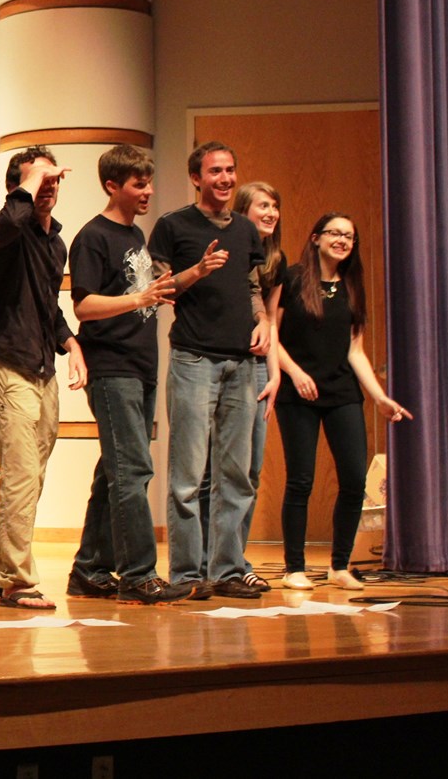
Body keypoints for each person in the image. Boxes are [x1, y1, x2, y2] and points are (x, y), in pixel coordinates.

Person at [63, 146, 188, 605]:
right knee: (132, 471)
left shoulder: (136, 234)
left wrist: (192, 274)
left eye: (148, 182)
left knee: (113, 471)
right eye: (139, 184)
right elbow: (83, 306)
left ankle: (89, 569)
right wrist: (139, 299)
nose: (148, 191)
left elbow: (149, 292)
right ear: (112, 186)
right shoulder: (92, 237)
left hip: (140, 366)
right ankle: (137, 575)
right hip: (112, 368)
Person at [149, 141, 269, 600]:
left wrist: (263, 322)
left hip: (242, 362)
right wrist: (197, 270)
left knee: (236, 476)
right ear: (196, 178)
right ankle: (186, 575)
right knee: (187, 477)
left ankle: (227, 570)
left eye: (230, 170)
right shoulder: (172, 226)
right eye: (215, 171)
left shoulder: (246, 230)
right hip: (194, 359)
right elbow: (159, 289)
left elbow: (252, 288)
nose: (225, 178)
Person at [273, 213, 410, 591]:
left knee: (353, 478)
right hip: (297, 393)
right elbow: (272, 333)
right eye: (335, 233)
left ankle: (339, 565)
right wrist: (295, 373)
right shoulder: (293, 278)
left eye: (349, 236)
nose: (342, 240)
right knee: (301, 480)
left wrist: (380, 397)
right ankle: (294, 568)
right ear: (315, 237)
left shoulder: (352, 286)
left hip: (342, 392)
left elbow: (355, 350)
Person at [0, 146, 86, 610]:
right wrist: (31, 178)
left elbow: (48, 306)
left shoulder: (55, 243)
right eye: (40, 180)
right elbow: (4, 224)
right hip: (9, 365)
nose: (48, 186)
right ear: (17, 186)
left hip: (43, 368)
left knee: (32, 477)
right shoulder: (10, 232)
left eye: (53, 180)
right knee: (21, 477)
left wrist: (71, 343)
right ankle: (17, 580)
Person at [231, 181, 285, 591]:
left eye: (274, 206)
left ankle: (237, 557)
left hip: (260, 368)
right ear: (243, 211)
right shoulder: (230, 250)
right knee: (222, 470)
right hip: (227, 361)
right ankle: (215, 559)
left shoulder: (276, 261)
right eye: (262, 205)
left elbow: (272, 320)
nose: (270, 213)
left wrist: (276, 373)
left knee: (250, 472)